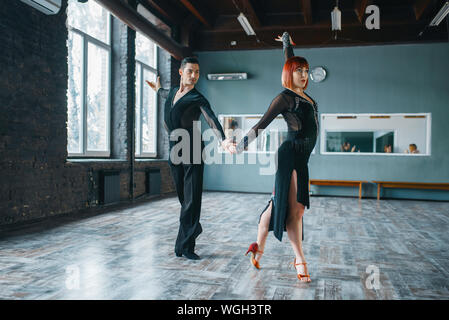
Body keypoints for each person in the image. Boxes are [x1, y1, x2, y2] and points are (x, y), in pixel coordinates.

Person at [236, 32, 319, 282]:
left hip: (302, 159)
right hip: (289, 155)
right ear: (288, 74)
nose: (304, 75)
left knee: (279, 205)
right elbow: (261, 124)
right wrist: (240, 146)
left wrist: (286, 44)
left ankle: (257, 248)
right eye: (299, 71)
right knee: (295, 210)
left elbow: (290, 61)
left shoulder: (305, 96)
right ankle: (300, 259)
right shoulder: (285, 98)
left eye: (306, 70)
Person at [146, 57, 235, 260]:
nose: (194, 76)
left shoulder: (198, 98)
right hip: (174, 149)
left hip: (192, 148)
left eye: (197, 72)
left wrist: (223, 140)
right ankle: (193, 228)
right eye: (190, 71)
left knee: (191, 199)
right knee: (183, 197)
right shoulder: (170, 93)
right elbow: (163, 96)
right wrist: (157, 89)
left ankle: (186, 247)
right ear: (181, 72)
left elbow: (211, 119)